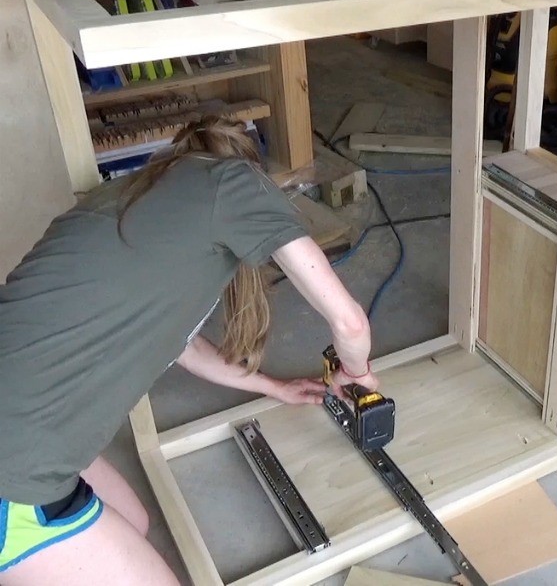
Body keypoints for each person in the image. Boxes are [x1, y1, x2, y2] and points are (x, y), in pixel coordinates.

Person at [0, 116, 380, 585]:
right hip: (15, 462)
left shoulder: (131, 198)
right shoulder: (236, 185)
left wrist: (271, 386)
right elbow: (350, 322)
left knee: (132, 522)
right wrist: (356, 372)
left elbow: (179, 344)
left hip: (22, 412)